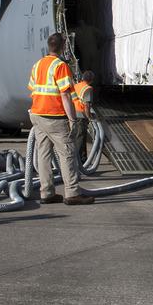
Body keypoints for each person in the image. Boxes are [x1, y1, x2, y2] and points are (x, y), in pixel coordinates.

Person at [28, 34, 94, 206]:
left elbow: (33, 89)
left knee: (43, 154)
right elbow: (64, 94)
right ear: (63, 46)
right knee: (67, 153)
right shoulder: (60, 66)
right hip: (54, 116)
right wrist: (72, 118)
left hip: (37, 115)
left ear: (49, 46)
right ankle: (72, 193)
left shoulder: (37, 65)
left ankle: (47, 192)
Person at [70, 70, 95, 163]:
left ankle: (82, 159)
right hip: (81, 116)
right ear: (91, 80)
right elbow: (87, 105)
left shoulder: (76, 86)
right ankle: (79, 160)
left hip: (72, 114)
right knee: (80, 138)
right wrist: (89, 117)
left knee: (76, 137)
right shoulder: (88, 88)